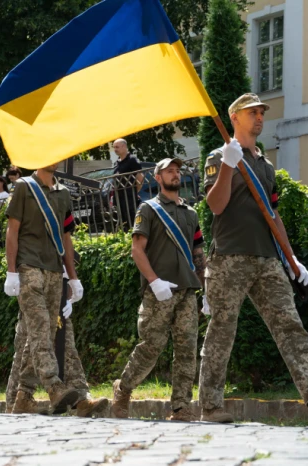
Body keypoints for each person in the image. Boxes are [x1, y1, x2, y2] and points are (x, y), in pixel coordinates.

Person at [199, 93, 308, 424]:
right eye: (252, 112)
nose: (259, 116)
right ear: (235, 118)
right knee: (222, 331)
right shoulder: (219, 156)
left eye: (261, 112)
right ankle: (211, 405)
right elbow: (216, 205)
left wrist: (291, 259)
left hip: (267, 258)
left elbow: (272, 213)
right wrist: (228, 166)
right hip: (228, 257)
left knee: (290, 326)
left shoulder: (265, 165)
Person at [111, 158, 205, 422]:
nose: (175, 175)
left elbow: (198, 252)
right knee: (151, 345)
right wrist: (154, 281)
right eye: (169, 172)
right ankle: (124, 389)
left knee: (187, 348)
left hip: (187, 290)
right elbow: (137, 250)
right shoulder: (149, 209)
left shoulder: (191, 213)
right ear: (157, 178)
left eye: (177, 171)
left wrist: (205, 288)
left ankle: (181, 407)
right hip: (159, 291)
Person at [3, 163, 83, 414]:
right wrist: (12, 271)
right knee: (39, 330)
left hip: (53, 270)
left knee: (44, 334)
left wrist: (73, 278)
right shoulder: (23, 187)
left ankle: (23, 394)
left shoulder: (63, 194)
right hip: (29, 267)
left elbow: (67, 238)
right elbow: (12, 230)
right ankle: (54, 386)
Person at [6, 252, 108, 418]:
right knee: (27, 348)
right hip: (33, 294)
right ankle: (15, 401)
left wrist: (68, 298)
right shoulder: (34, 234)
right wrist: (12, 275)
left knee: (68, 346)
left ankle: (81, 398)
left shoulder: (60, 235)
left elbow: (66, 270)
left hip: (57, 299)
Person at [112, 138, 144, 230]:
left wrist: (134, 192)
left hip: (129, 197)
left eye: (117, 147)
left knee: (132, 220)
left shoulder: (132, 160)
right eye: (114, 147)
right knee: (123, 222)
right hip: (119, 197)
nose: (115, 149)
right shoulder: (117, 162)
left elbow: (140, 177)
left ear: (124, 146)